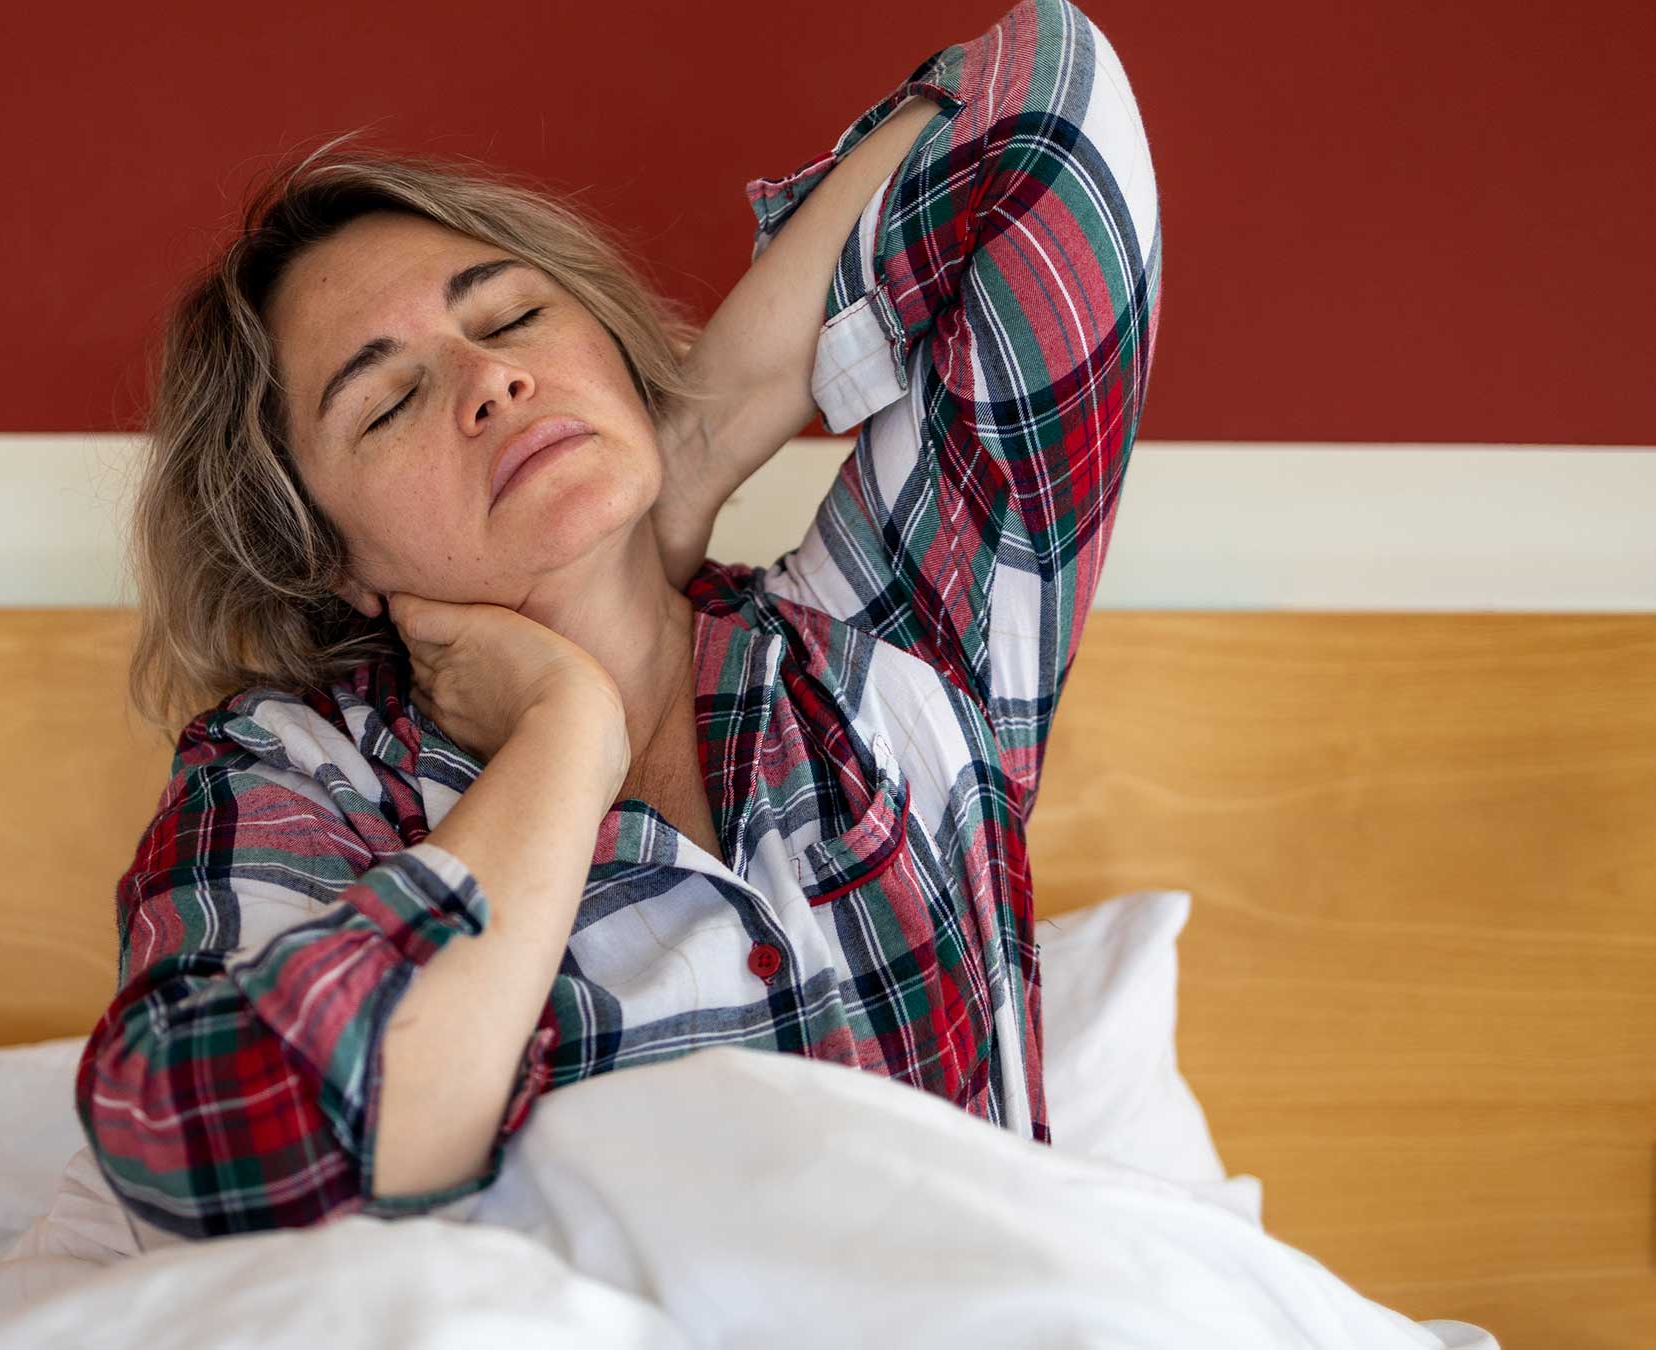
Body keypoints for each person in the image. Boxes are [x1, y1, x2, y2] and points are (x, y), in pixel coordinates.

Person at [79, 0, 1162, 1241]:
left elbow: (1053, 107)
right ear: (326, 555)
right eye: (386, 404)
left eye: (513, 317)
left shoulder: (888, 643)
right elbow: (214, 1161)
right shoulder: (297, 777)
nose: (491, 381)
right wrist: (560, 735)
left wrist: (693, 444)